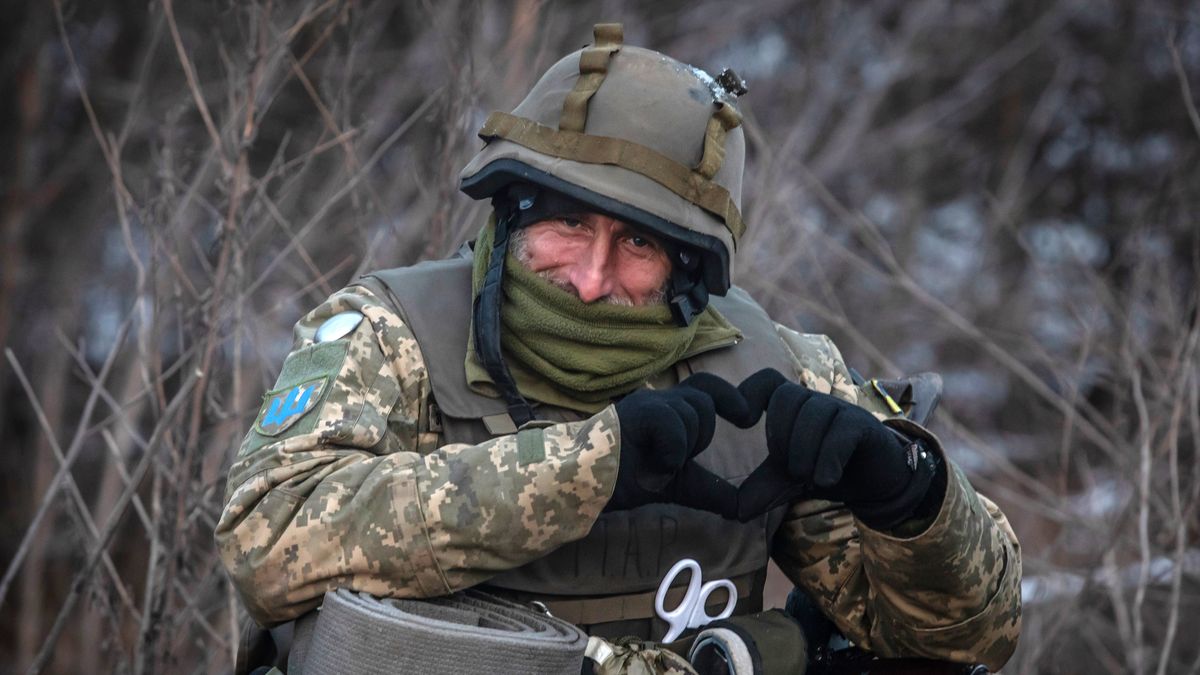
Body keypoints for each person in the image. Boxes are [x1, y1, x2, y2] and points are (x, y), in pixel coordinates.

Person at [215, 23, 1021, 673]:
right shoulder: (394, 333)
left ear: (688, 269)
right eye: (568, 222)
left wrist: (910, 497)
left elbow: (970, 633)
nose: (591, 278)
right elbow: (268, 539)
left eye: (638, 242)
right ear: (512, 208)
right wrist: (589, 467)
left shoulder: (772, 367)